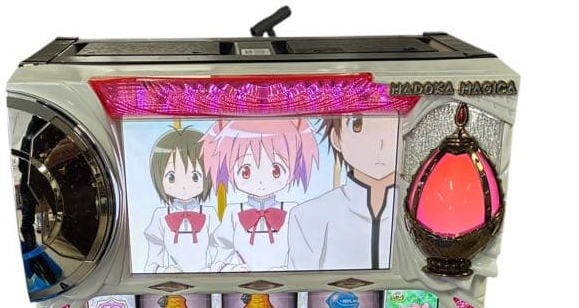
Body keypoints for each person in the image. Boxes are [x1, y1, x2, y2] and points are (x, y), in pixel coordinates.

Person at [202, 118, 319, 271]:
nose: (261, 181)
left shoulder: (292, 210)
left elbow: (303, 250)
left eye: (276, 170)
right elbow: (222, 250)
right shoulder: (233, 212)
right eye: (246, 171)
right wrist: (231, 269)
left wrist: (290, 269)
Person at [288, 114, 399, 271]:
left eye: (393, 127)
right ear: (336, 138)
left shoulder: (420, 215)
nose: (380, 142)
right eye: (357, 125)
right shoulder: (307, 216)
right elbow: (299, 281)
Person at [142, 127, 220, 273]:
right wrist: (163, 271)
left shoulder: (209, 214)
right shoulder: (160, 215)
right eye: (171, 177)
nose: (184, 186)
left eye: (195, 176)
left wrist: (215, 270)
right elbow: (152, 261)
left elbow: (219, 252)